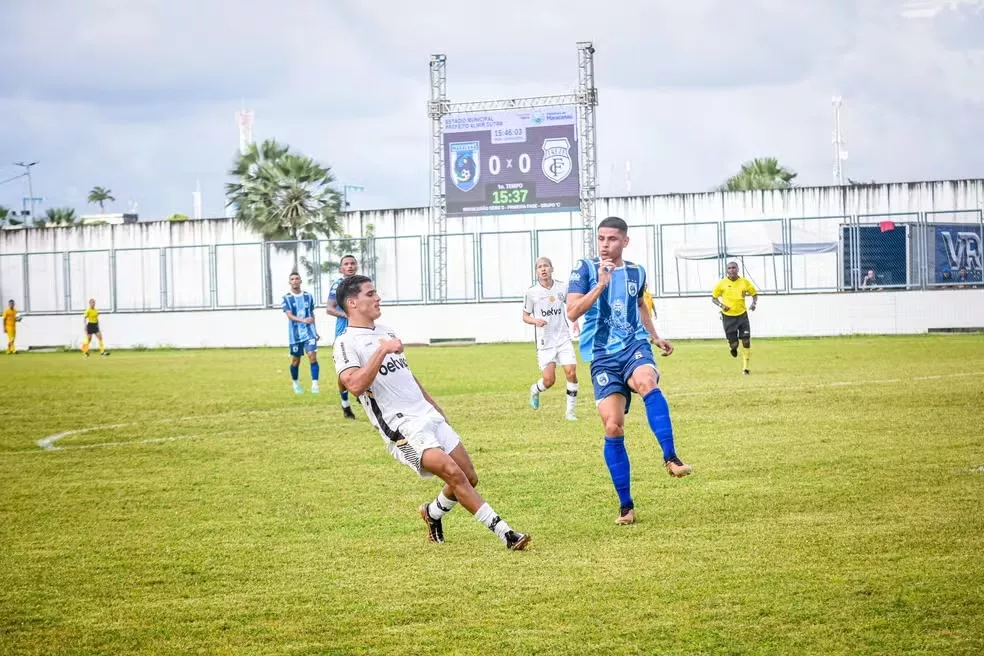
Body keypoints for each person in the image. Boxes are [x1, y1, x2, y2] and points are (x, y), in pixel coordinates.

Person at [332, 274, 532, 551]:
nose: (377, 298)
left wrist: (436, 408)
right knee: (453, 473)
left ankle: (432, 513)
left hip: (426, 414)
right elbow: (353, 385)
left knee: (469, 476)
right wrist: (382, 352)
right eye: (370, 294)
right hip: (400, 427)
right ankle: (506, 533)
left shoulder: (386, 331)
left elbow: (407, 377)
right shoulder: (346, 342)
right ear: (352, 303)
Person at [566, 216, 692, 526]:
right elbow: (572, 311)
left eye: (611, 239)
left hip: (634, 347)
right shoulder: (584, 269)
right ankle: (626, 506)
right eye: (601, 239)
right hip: (601, 357)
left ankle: (671, 457)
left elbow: (639, 306)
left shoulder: (637, 271)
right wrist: (600, 284)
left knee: (647, 381)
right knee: (613, 426)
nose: (605, 245)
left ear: (625, 241)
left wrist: (655, 336)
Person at [522, 256, 580, 421]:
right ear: (536, 271)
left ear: (551, 269)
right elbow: (525, 316)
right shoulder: (531, 292)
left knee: (571, 371)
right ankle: (535, 389)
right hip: (545, 341)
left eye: (546, 266)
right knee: (549, 380)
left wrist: (575, 322)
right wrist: (535, 320)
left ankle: (570, 413)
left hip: (562, 337)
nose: (543, 269)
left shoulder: (562, 287)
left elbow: (572, 307)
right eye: (540, 267)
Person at [326, 254, 359, 419]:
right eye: (346, 264)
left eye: (352, 263)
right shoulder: (337, 286)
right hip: (343, 334)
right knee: (344, 372)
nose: (350, 266)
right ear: (341, 268)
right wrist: (348, 315)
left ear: (357, 266)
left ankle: (366, 397)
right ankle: (345, 404)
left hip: (362, 332)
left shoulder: (362, 284)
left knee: (369, 365)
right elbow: (329, 308)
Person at [711, 261, 757, 375]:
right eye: (729, 268)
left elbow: (754, 294)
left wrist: (754, 303)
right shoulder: (721, 284)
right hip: (728, 317)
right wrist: (721, 305)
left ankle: (746, 368)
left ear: (738, 269)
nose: (732, 270)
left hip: (742, 315)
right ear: (727, 270)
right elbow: (714, 298)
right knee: (735, 344)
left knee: (746, 340)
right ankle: (733, 348)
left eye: (734, 268)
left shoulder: (744, 282)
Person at [282, 272, 320, 394]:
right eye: (292, 279)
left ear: (300, 281)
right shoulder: (286, 298)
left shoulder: (308, 296)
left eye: (297, 278)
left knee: (312, 357)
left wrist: (315, 330)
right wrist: (303, 320)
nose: (294, 281)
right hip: (295, 334)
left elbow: (311, 313)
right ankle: (295, 383)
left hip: (309, 331)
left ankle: (315, 385)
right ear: (289, 282)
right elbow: (289, 315)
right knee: (295, 360)